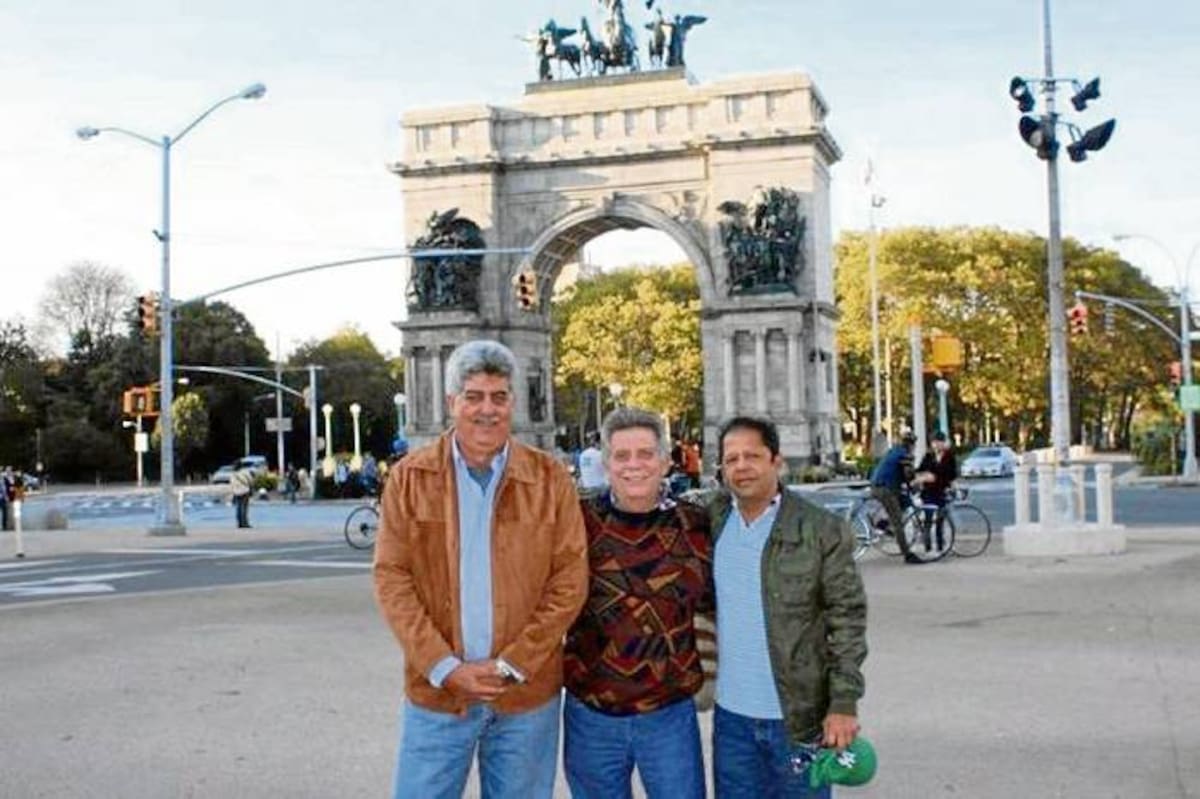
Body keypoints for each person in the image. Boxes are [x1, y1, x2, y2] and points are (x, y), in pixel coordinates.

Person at [373, 339, 589, 799]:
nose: (486, 410)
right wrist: (444, 666)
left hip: (526, 695)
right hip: (437, 693)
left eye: (499, 396)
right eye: (473, 397)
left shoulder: (551, 481)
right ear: (452, 402)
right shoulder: (409, 479)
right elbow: (393, 580)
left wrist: (513, 664)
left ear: (514, 402)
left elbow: (569, 582)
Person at [707, 416, 867, 797]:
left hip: (799, 721)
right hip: (732, 721)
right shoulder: (712, 521)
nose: (741, 466)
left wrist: (843, 702)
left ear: (776, 462)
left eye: (752, 456)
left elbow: (847, 619)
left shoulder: (821, 529)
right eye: (731, 459)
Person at [563, 407, 712, 799]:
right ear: (606, 463)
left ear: (665, 461)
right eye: (622, 455)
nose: (634, 466)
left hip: (669, 714)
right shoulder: (576, 523)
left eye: (646, 454)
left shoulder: (696, 525)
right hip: (591, 714)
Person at [869, 432, 920, 564]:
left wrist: (909, 485)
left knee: (905, 501)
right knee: (898, 522)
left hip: (880, 485)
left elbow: (902, 474)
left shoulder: (894, 451)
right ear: (911, 445)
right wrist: (915, 485)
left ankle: (884, 524)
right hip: (885, 489)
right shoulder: (904, 455)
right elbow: (909, 474)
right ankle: (907, 555)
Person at [913, 431, 959, 554]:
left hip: (942, 491)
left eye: (939, 442)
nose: (936, 445)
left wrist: (953, 486)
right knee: (928, 519)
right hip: (928, 491)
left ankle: (940, 546)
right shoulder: (928, 456)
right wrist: (922, 477)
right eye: (934, 442)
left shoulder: (949, 456)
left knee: (940, 520)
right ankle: (927, 547)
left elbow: (952, 474)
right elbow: (920, 469)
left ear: (944, 443)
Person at [231, 464, 254, 528]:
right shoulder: (245, 472)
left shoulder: (233, 474)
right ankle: (245, 523)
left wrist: (233, 491)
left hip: (236, 492)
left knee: (238, 507)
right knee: (244, 507)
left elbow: (232, 484)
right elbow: (251, 480)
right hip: (245, 490)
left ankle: (239, 523)